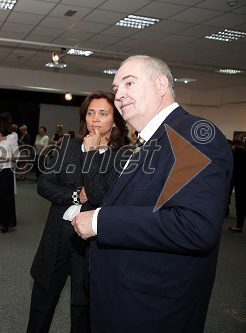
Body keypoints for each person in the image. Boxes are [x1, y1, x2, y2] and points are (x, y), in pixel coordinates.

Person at [71, 55, 233, 332]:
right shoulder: (150, 141)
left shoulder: (193, 134)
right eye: (116, 87)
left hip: (152, 311)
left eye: (129, 83)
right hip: (124, 300)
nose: (119, 94)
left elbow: (193, 225)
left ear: (161, 85)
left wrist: (99, 222)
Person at [27, 91, 127, 333]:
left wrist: (92, 153)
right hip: (59, 233)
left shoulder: (118, 158)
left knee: (82, 310)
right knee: (42, 301)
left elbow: (100, 196)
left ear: (114, 121)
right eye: (91, 113)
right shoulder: (69, 147)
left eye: (103, 114)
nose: (95, 119)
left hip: (89, 241)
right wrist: (73, 195)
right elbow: (44, 184)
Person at [229, 142, 246, 233]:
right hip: (241, 181)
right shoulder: (240, 152)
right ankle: (239, 225)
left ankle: (239, 226)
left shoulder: (239, 153)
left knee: (241, 204)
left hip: (241, 182)